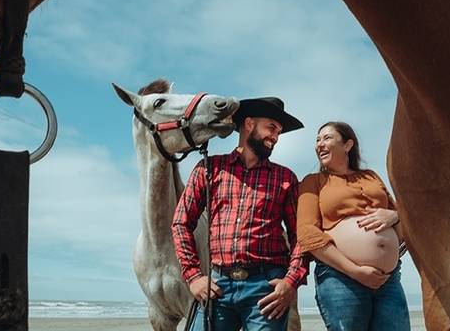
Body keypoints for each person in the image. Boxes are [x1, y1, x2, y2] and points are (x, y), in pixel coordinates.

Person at [172, 97, 308, 331]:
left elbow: (301, 236)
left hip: (266, 289)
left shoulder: (285, 178)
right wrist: (193, 276)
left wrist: (291, 281)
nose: (275, 137)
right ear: (249, 124)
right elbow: (180, 223)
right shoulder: (209, 168)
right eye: (271, 128)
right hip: (217, 286)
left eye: (278, 132)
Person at [297, 121, 410, 330]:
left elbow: (404, 218)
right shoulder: (312, 182)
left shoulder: (371, 177)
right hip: (341, 278)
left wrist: (394, 216)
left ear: (348, 145)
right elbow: (306, 233)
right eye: (317, 140)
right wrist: (355, 271)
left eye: (327, 138)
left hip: (389, 280)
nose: (319, 144)